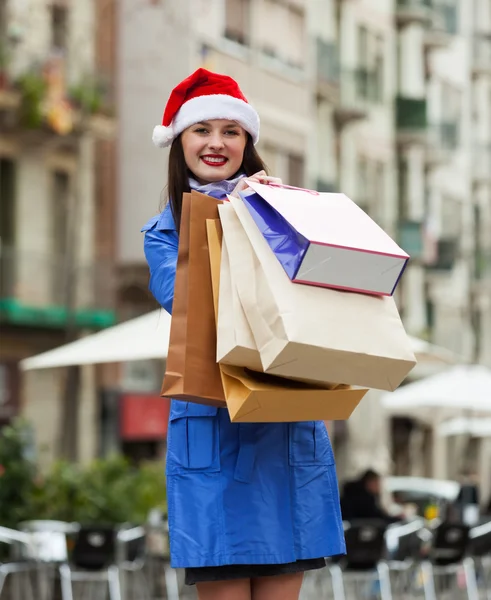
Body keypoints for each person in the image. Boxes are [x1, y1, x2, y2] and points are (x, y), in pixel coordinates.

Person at [142, 68, 346, 600]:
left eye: (231, 131)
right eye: (201, 130)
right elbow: (186, 300)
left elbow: (322, 292)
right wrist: (235, 215)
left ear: (247, 143)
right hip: (214, 429)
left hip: (284, 425)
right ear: (180, 141)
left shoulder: (289, 211)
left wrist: (280, 214)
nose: (216, 143)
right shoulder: (163, 231)